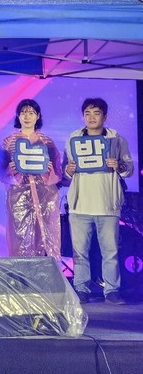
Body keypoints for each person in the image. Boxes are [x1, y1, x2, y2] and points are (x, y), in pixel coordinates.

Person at [63, 97, 133, 304]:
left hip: (107, 204)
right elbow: (66, 170)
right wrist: (69, 170)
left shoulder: (116, 139)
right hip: (80, 203)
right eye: (87, 113)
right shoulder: (73, 138)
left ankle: (111, 291)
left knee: (110, 251)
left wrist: (119, 166)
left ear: (105, 116)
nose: (91, 117)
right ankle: (81, 289)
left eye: (96, 113)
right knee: (79, 252)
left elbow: (129, 168)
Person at [0, 99, 61, 259]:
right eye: (23, 113)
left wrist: (49, 171)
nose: (27, 116)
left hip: (44, 194)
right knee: (19, 233)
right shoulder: (8, 142)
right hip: (18, 195)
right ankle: (21, 270)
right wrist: (10, 170)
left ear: (38, 116)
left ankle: (44, 269)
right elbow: (0, 169)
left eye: (31, 113)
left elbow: (57, 169)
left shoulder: (46, 142)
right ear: (18, 116)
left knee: (44, 232)